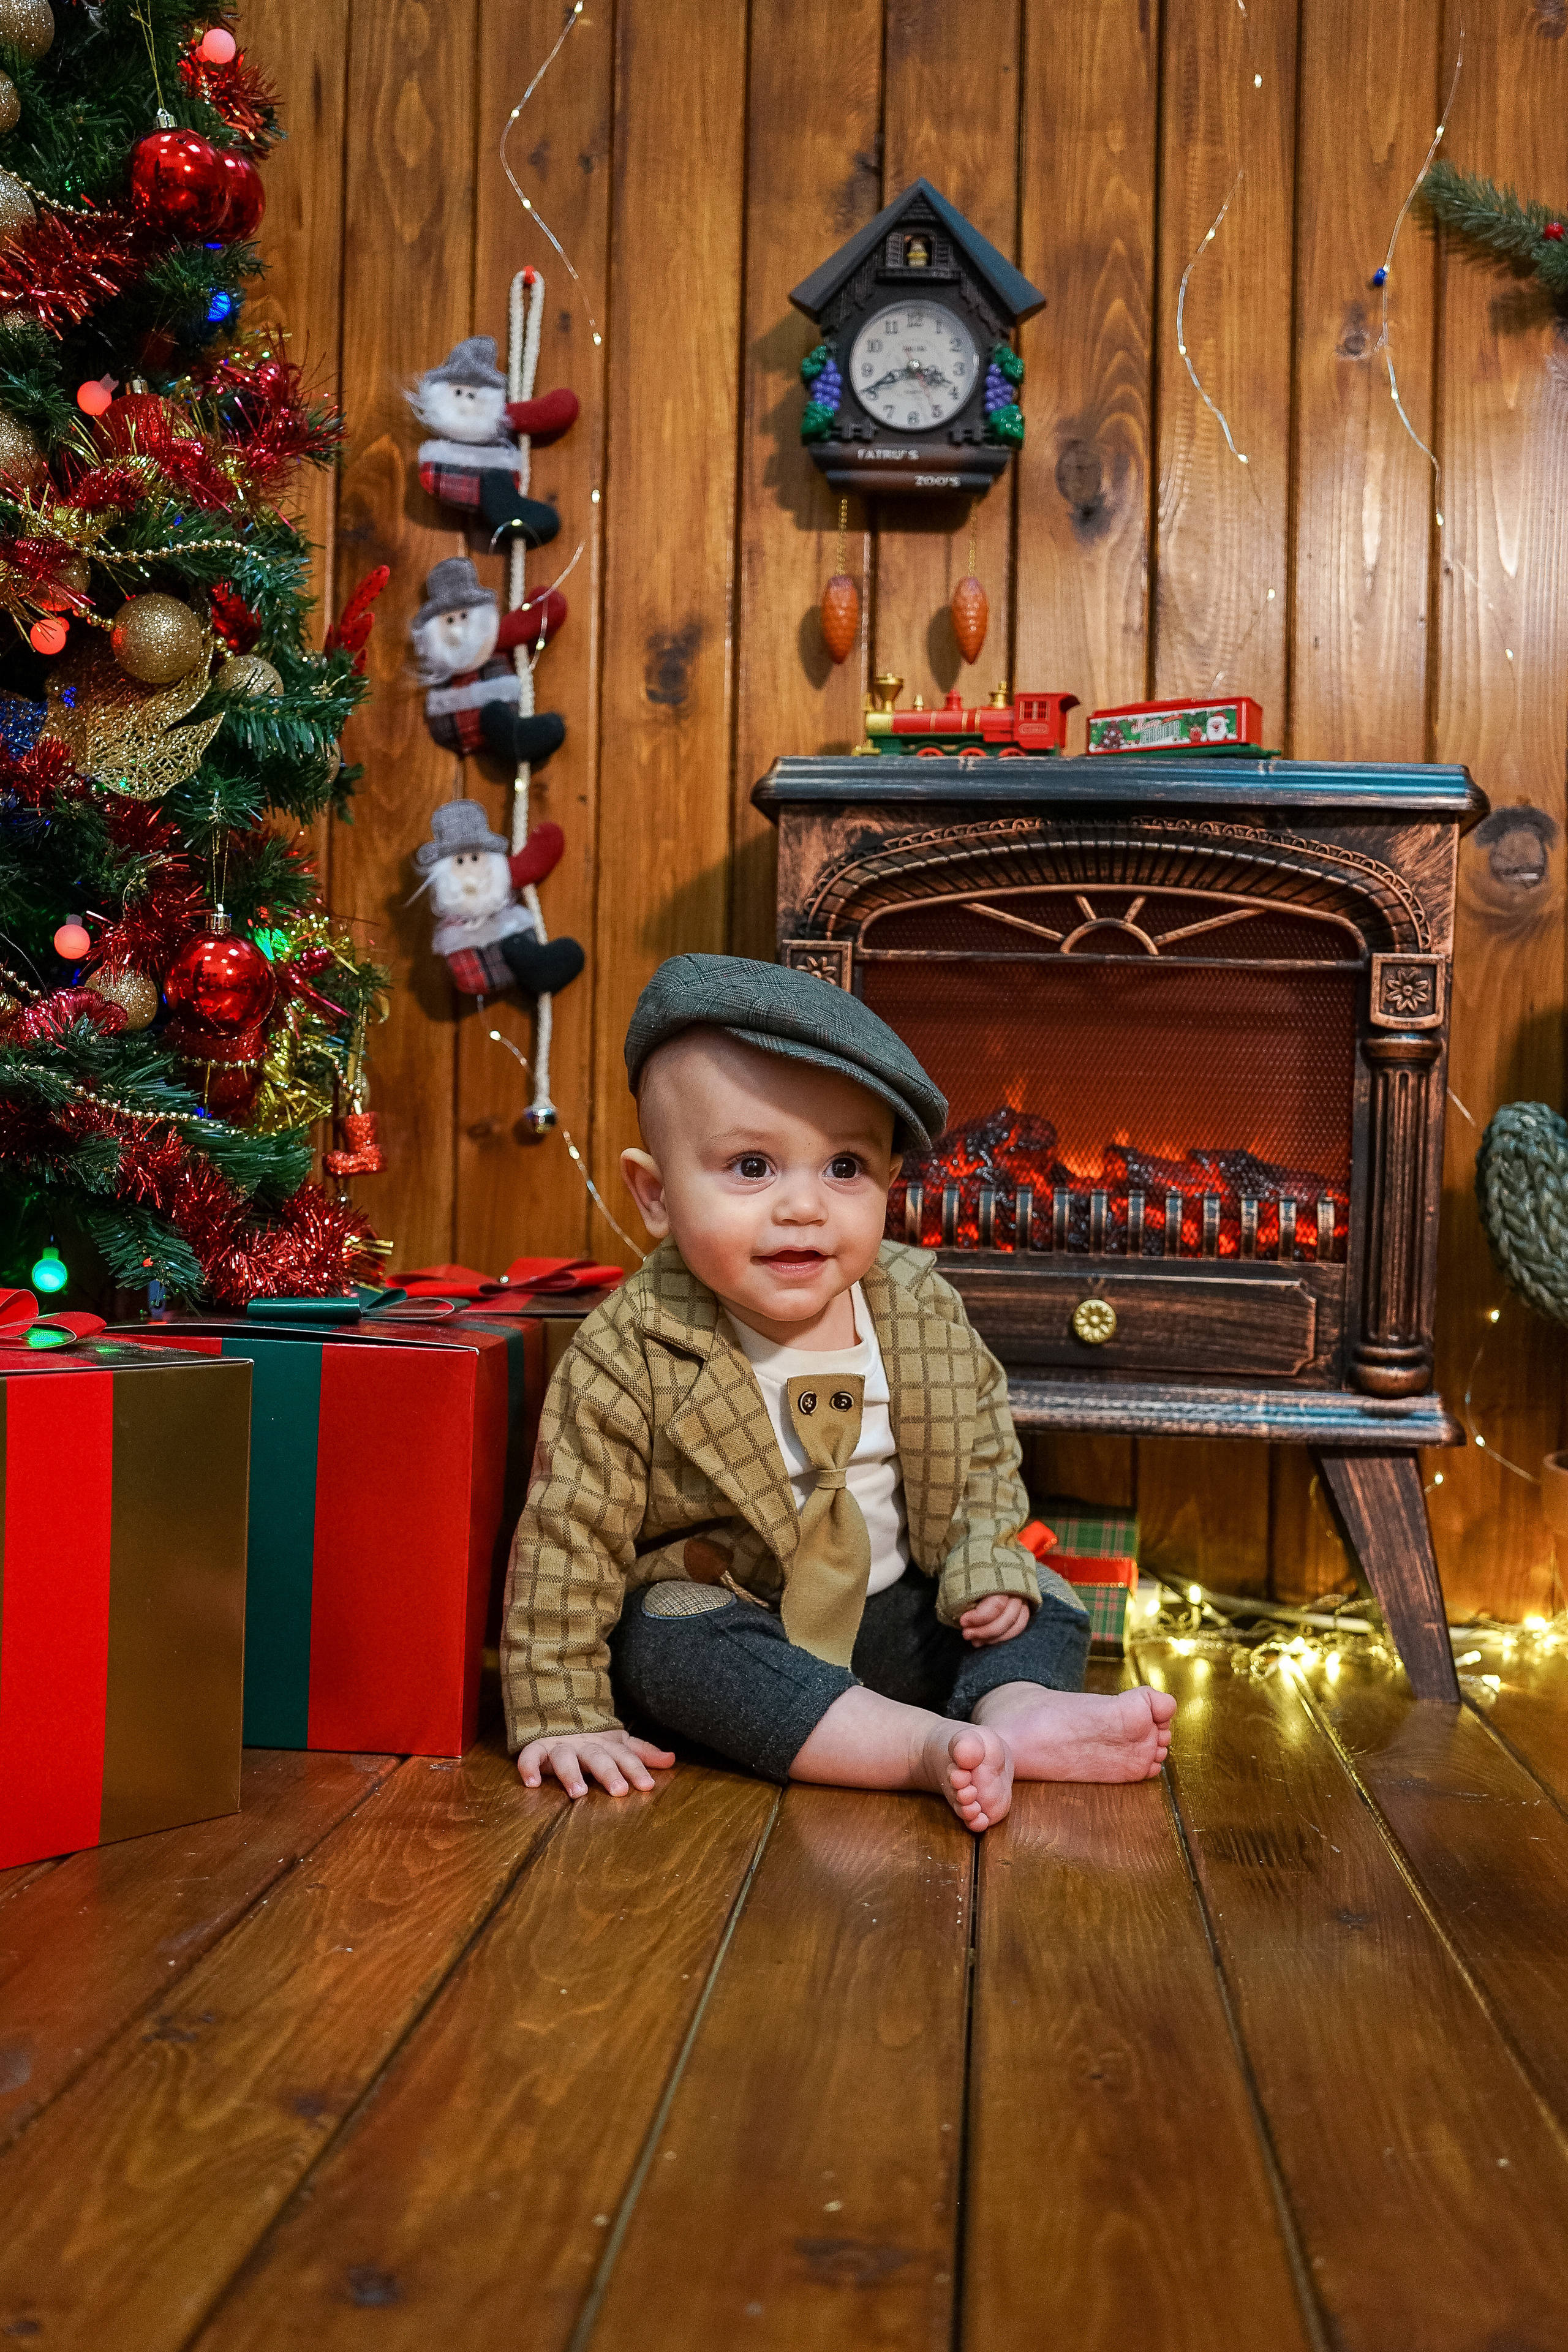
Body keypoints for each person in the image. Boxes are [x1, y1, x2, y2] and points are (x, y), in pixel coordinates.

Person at [500, 954, 1175, 1832]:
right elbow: (570, 1531)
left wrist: (982, 1568)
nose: (804, 1208)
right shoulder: (633, 1347)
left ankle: (1013, 1708)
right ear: (657, 1195)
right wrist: (561, 1710)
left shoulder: (918, 1305)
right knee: (662, 1639)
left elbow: (979, 1454)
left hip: (905, 1615)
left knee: (1041, 1593)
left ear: (889, 1183)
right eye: (752, 1167)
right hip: (754, 1632)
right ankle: (913, 1749)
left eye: (845, 1167)